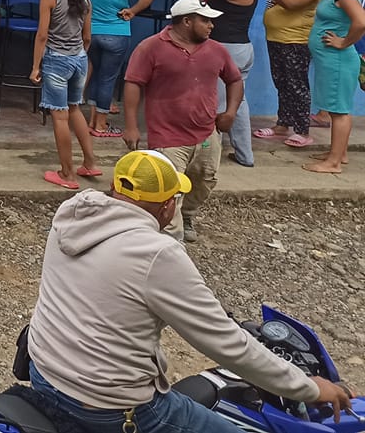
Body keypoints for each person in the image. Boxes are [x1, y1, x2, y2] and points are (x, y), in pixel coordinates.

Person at [27, 150, 351, 433]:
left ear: (115, 187)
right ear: (169, 206)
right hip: (109, 405)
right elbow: (226, 344)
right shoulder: (156, 253)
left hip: (45, 372)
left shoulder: (73, 213)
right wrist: (307, 387)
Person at [122, 0, 243, 243]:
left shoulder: (216, 50)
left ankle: (187, 214)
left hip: (206, 132)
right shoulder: (151, 47)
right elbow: (134, 83)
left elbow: (234, 79)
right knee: (169, 188)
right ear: (186, 21)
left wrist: (230, 112)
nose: (211, 26)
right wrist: (131, 126)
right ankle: (170, 241)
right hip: (167, 136)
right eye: (205, 20)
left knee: (205, 179)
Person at [30, 0, 100, 190]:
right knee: (74, 109)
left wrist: (35, 66)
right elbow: (87, 37)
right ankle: (89, 162)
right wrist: (80, 52)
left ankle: (67, 173)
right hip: (79, 59)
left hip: (57, 61)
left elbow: (41, 35)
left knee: (59, 116)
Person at [79, 0, 154, 137]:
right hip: (117, 32)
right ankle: (101, 125)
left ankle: (93, 121)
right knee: (108, 78)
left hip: (91, 31)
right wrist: (132, 11)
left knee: (95, 76)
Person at [252, 0, 324, 146]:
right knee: (282, 83)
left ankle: (302, 130)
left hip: (295, 42)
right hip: (276, 39)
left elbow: (291, 4)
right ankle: (283, 124)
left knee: (297, 85)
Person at [197, 0, 260, 166]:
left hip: (228, 49)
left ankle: (208, 156)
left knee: (218, 103)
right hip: (237, 49)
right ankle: (244, 155)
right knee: (237, 101)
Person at [303, 0, 365, 174]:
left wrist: (344, 42)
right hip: (331, 61)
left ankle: (334, 163)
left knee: (339, 111)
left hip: (338, 61)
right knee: (336, 109)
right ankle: (339, 153)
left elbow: (361, 22)